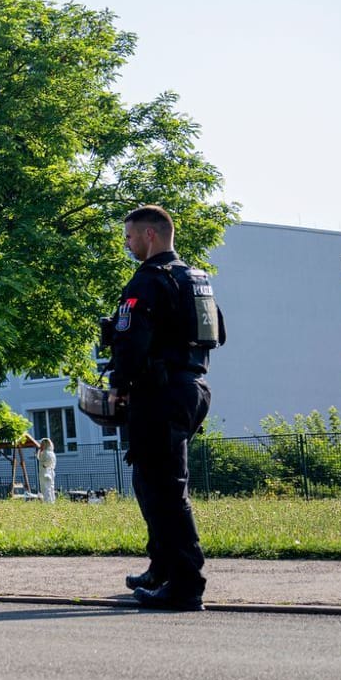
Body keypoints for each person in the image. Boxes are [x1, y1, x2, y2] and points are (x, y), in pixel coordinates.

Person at [110, 204, 220, 611]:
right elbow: (213, 335)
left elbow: (130, 342)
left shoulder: (148, 280)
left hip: (159, 393)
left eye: (129, 236)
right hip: (192, 387)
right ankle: (162, 567)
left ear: (150, 235)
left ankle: (186, 584)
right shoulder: (196, 279)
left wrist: (119, 386)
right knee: (149, 481)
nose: (127, 243)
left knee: (167, 492)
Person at [37, 438, 57, 503]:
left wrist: (44, 465)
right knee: (51, 487)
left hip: (45, 472)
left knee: (45, 488)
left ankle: (47, 502)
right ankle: (52, 501)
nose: (40, 445)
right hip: (51, 472)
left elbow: (39, 458)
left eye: (42, 444)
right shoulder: (52, 453)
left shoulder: (45, 453)